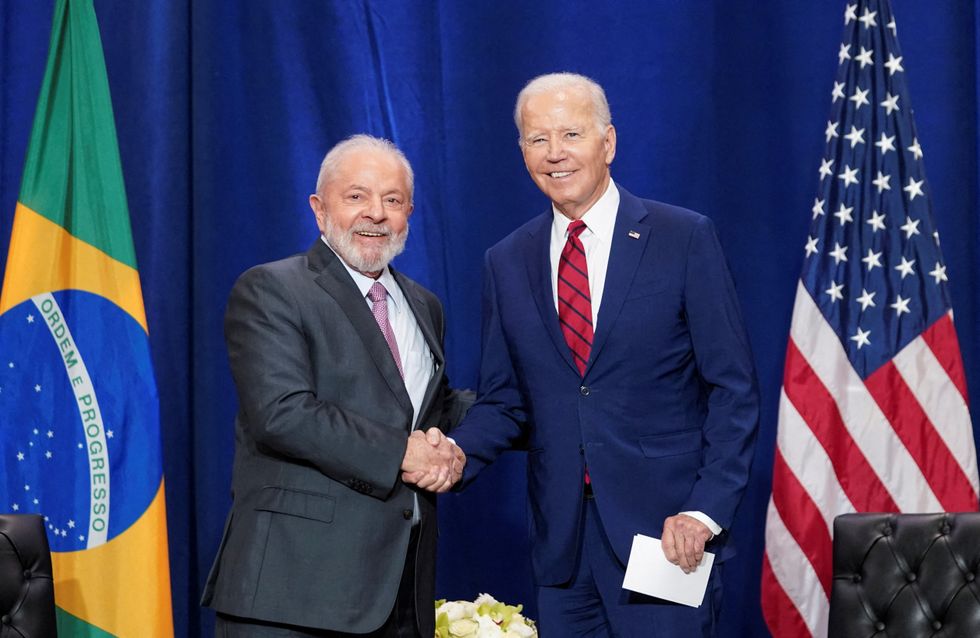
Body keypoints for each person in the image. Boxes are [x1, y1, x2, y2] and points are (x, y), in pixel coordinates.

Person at [426, 73, 759, 636]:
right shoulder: (506, 260)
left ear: (608, 142)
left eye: (571, 134)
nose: (555, 153)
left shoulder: (682, 238)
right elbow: (505, 403)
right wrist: (453, 453)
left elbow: (733, 390)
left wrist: (706, 511)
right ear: (522, 152)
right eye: (538, 139)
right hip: (562, 551)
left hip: (666, 539)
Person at [201, 134, 470, 637]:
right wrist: (402, 454)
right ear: (319, 209)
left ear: (410, 210)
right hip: (293, 593)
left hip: (399, 591)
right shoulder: (272, 288)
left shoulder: (423, 304)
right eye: (356, 196)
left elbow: (431, 410)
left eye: (392, 199)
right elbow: (283, 413)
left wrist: (524, 409)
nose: (376, 213)